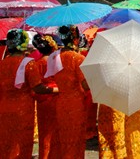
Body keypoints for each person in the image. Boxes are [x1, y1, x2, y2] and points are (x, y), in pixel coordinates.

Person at [0, 29, 57, 159]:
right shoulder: (28, 63)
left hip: (4, 108)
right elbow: (38, 88)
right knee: (21, 144)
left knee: (6, 143)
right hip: (23, 110)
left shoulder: (2, 64)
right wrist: (56, 90)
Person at [48, 25, 91, 158]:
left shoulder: (54, 57)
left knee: (61, 137)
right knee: (75, 138)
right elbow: (86, 86)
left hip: (60, 101)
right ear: (75, 39)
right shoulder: (78, 59)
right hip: (76, 104)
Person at [31, 34, 60, 159]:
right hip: (56, 96)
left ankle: (44, 155)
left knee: (44, 132)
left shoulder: (36, 63)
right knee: (56, 131)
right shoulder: (57, 62)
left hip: (43, 100)